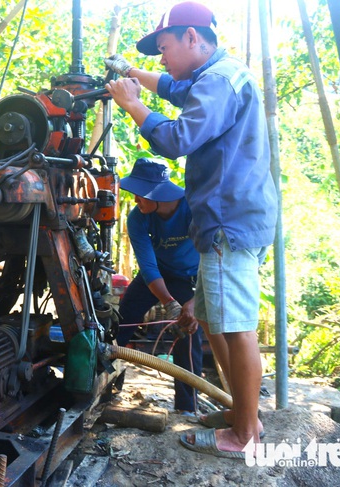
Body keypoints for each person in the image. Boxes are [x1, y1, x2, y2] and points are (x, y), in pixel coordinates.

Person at [105, 1, 277, 459]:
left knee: (235, 328)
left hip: (227, 220)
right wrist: (132, 74)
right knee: (216, 325)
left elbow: (178, 139)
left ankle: (245, 436)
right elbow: (176, 87)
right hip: (230, 216)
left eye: (164, 48)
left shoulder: (218, 82)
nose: (161, 60)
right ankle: (243, 414)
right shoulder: (218, 74)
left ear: (192, 38)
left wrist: (134, 107)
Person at [117, 158, 203, 415]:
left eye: (139, 195)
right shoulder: (138, 219)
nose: (135, 201)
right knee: (124, 318)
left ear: (156, 194)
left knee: (189, 333)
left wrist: (195, 302)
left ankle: (187, 406)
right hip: (155, 276)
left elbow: (214, 257)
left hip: (191, 278)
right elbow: (148, 267)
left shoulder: (194, 209)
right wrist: (170, 304)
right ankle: (106, 383)